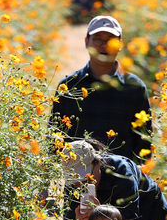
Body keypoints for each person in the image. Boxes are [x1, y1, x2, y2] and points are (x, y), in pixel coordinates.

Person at [50, 15, 153, 164]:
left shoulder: (135, 87)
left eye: (110, 39)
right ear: (86, 42)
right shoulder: (69, 86)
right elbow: (55, 137)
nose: (103, 45)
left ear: (120, 44)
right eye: (98, 38)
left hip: (122, 177)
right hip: (76, 175)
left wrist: (139, 179)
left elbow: (144, 142)